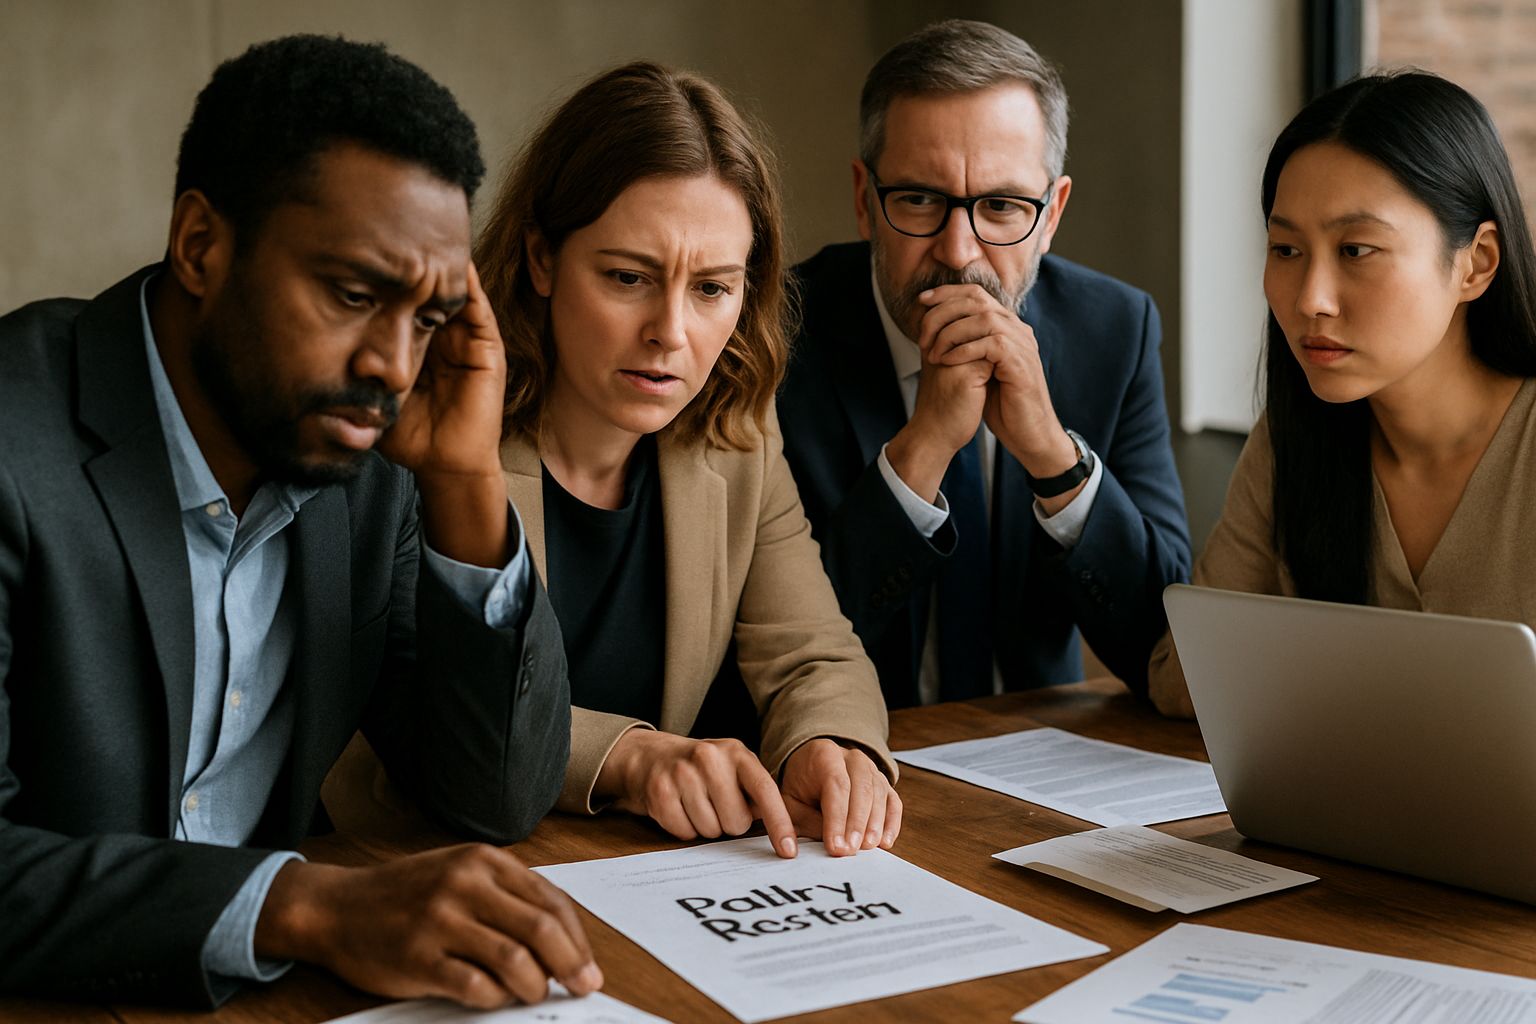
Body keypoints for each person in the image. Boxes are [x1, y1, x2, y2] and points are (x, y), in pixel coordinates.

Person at [0, 36, 600, 1010]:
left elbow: (493, 792)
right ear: (201, 245)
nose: (396, 367)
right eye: (356, 294)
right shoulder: (14, 442)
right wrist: (304, 906)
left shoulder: (372, 460)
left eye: (430, 318)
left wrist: (465, 479)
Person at [475, 62, 901, 858]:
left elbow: (812, 650)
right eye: (629, 277)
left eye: (711, 289)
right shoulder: (439, 433)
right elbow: (421, 715)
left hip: (634, 888)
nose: (670, 331)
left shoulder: (735, 433)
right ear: (541, 258)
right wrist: (629, 758)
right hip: (433, 874)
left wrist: (827, 744)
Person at [777, 20, 1191, 709]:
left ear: (1051, 213)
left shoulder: (1113, 330)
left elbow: (1164, 651)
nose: (959, 250)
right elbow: (773, 652)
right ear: (864, 201)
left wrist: (1053, 455)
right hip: (854, 762)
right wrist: (924, 448)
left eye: (1000, 206)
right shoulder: (774, 337)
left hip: (1040, 765)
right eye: (919, 200)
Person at [1149, 71, 1536, 717]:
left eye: (1356, 249)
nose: (1310, 300)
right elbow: (1184, 682)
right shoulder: (1295, 438)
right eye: (1286, 249)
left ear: (1476, 263)